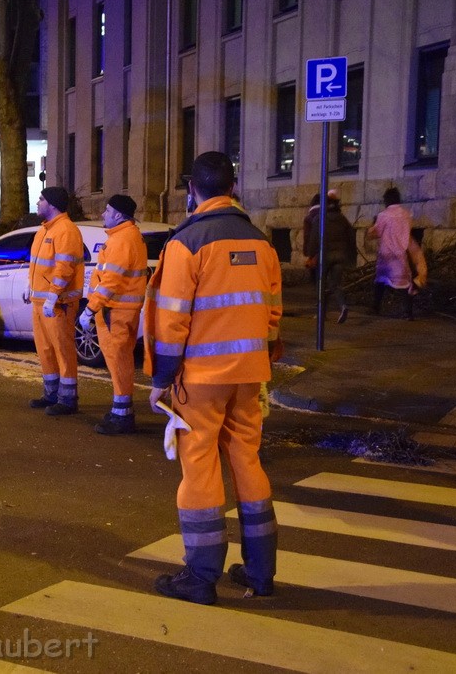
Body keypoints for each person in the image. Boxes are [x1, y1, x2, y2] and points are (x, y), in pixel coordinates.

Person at [144, 151, 282, 605]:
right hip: (250, 376)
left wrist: (162, 379)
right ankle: (260, 573)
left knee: (200, 467)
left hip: (200, 380)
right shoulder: (262, 243)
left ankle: (201, 576)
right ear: (232, 188)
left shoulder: (187, 244)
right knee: (248, 461)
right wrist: (262, 362)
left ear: (192, 192)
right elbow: (273, 318)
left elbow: (171, 322)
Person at [79, 194, 147, 435]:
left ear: (118, 214)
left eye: (107, 211)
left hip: (114, 311)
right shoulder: (127, 237)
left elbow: (110, 282)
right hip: (121, 310)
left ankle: (122, 415)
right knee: (121, 361)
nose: (103, 215)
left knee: (118, 361)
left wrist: (90, 308)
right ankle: (121, 410)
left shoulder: (121, 240)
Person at [28, 187, 85, 416]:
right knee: (45, 349)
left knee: (62, 350)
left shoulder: (66, 230)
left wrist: (52, 297)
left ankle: (68, 399)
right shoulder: (44, 231)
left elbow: (64, 268)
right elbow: (37, 264)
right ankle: (51, 394)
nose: (38, 203)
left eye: (41, 199)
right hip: (41, 301)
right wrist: (30, 287)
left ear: (51, 204)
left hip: (58, 303)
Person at [304, 190, 357, 323]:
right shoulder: (342, 219)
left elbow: (314, 239)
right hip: (340, 256)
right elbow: (351, 237)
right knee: (335, 284)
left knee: (321, 284)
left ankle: (322, 313)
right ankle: (343, 306)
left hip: (325, 257)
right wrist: (351, 257)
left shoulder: (320, 219)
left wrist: (311, 255)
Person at [368, 187, 414, 320]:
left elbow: (375, 232)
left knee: (380, 281)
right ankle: (408, 312)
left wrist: (372, 226)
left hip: (386, 254)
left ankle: (375, 307)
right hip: (401, 253)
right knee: (405, 283)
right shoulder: (407, 214)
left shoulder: (383, 215)